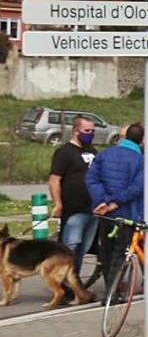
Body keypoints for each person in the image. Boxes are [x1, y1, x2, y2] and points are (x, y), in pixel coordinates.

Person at [85, 122, 145, 298]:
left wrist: (103, 201)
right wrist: (115, 202)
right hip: (127, 213)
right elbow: (137, 187)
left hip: (104, 213)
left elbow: (91, 179)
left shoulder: (104, 154)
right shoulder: (140, 160)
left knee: (106, 252)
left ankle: (110, 288)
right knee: (121, 253)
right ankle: (113, 292)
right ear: (141, 141)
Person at [49, 116, 98, 277]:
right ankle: (64, 282)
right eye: (87, 131)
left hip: (92, 209)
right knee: (70, 247)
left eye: (92, 131)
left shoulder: (93, 151)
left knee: (83, 249)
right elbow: (54, 180)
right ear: (76, 131)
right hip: (73, 209)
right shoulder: (64, 152)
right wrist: (57, 203)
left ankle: (74, 279)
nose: (90, 134)